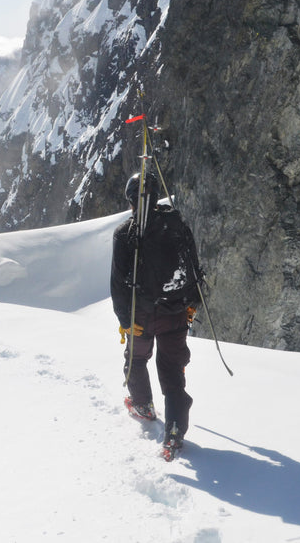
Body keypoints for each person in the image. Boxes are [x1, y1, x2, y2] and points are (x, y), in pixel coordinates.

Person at [110, 170, 202, 461]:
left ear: (131, 200)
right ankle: (174, 432)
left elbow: (117, 283)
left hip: (143, 315)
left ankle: (143, 406)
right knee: (172, 371)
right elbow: (194, 267)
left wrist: (126, 321)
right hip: (176, 310)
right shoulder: (177, 224)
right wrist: (192, 303)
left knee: (136, 358)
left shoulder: (126, 233)